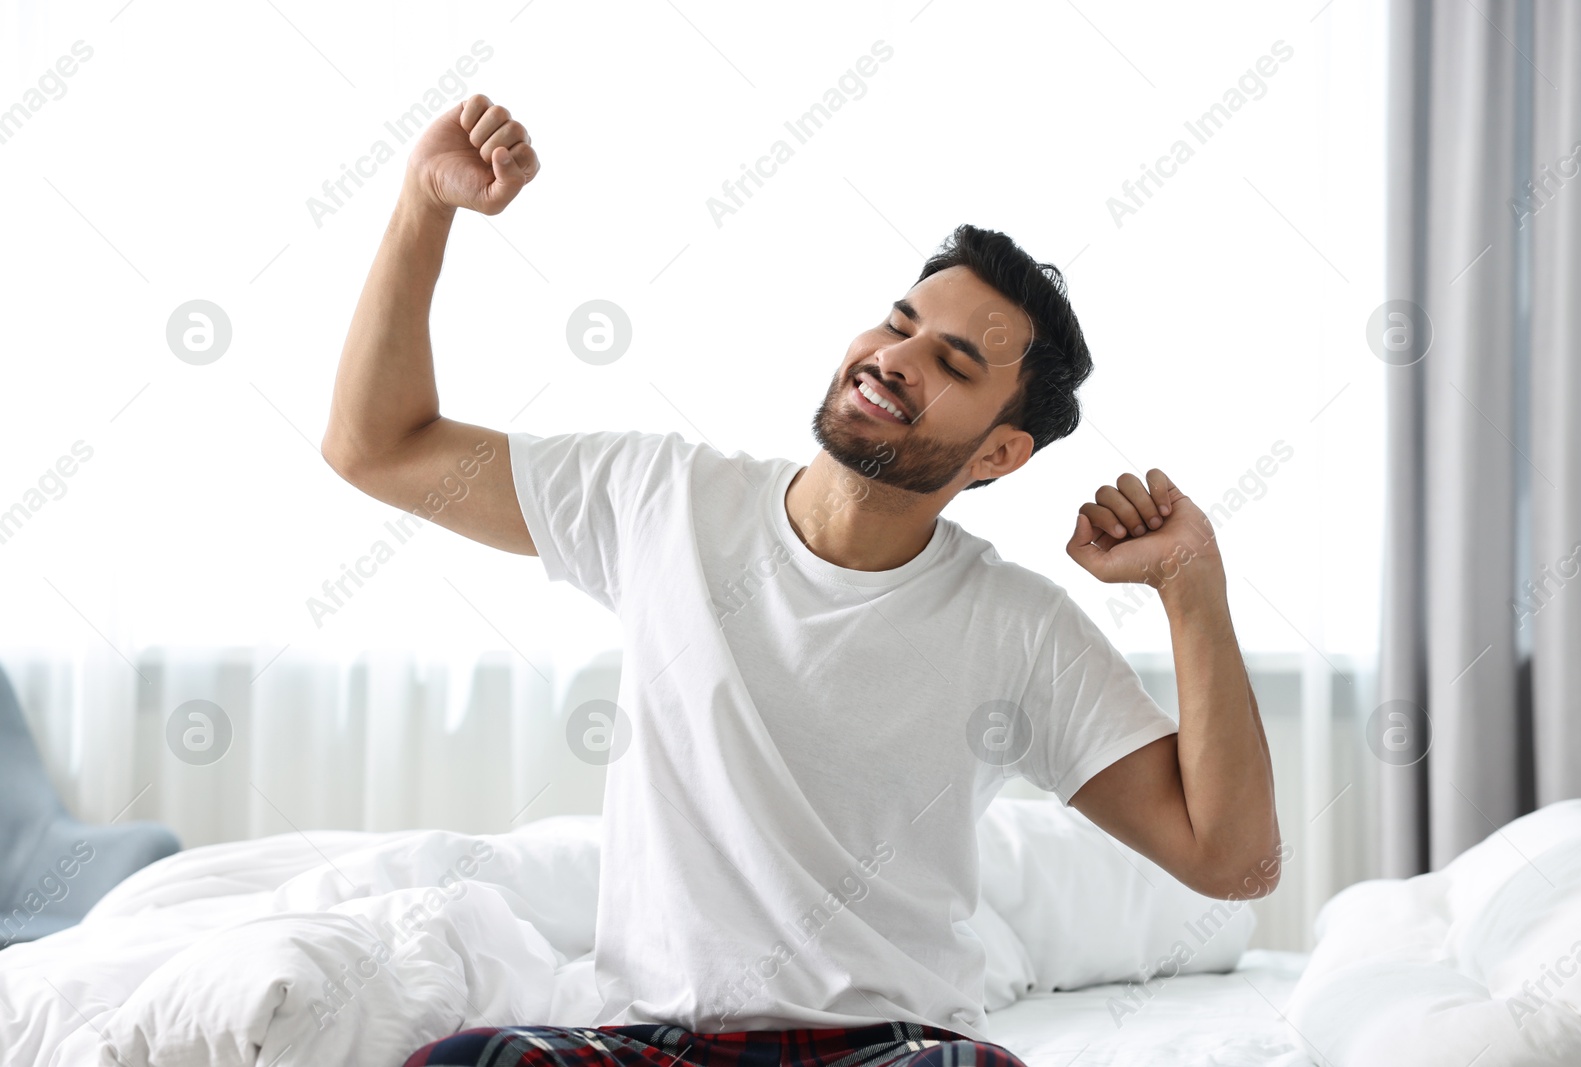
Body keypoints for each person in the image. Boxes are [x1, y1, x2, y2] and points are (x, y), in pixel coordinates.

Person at [319, 95, 1280, 1067]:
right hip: (654, 1044)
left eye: (949, 361)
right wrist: (421, 205)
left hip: (895, 1047)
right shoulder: (660, 496)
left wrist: (1192, 587)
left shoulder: (1018, 626)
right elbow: (375, 446)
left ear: (998, 451)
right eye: (899, 324)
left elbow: (1233, 859)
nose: (895, 360)